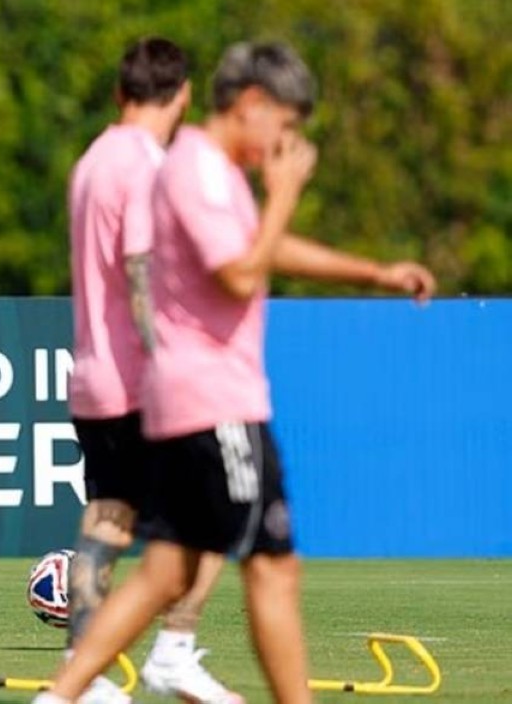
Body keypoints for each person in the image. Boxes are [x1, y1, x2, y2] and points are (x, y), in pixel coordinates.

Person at [39, 42, 435, 704]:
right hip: (211, 398)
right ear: (250, 103)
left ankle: (67, 693)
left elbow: (255, 249)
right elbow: (242, 273)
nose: (285, 144)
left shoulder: (169, 165)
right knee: (270, 565)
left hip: (178, 391)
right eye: (284, 124)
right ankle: (146, 668)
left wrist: (373, 272)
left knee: (167, 565)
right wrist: (283, 194)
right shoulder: (186, 167)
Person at [65, 37, 240, 704]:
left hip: (94, 375)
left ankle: (83, 670)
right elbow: (143, 274)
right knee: (222, 505)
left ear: (120, 92)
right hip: (142, 377)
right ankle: (174, 650)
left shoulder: (93, 159)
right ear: (184, 94)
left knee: (107, 520)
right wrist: (173, 364)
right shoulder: (146, 165)